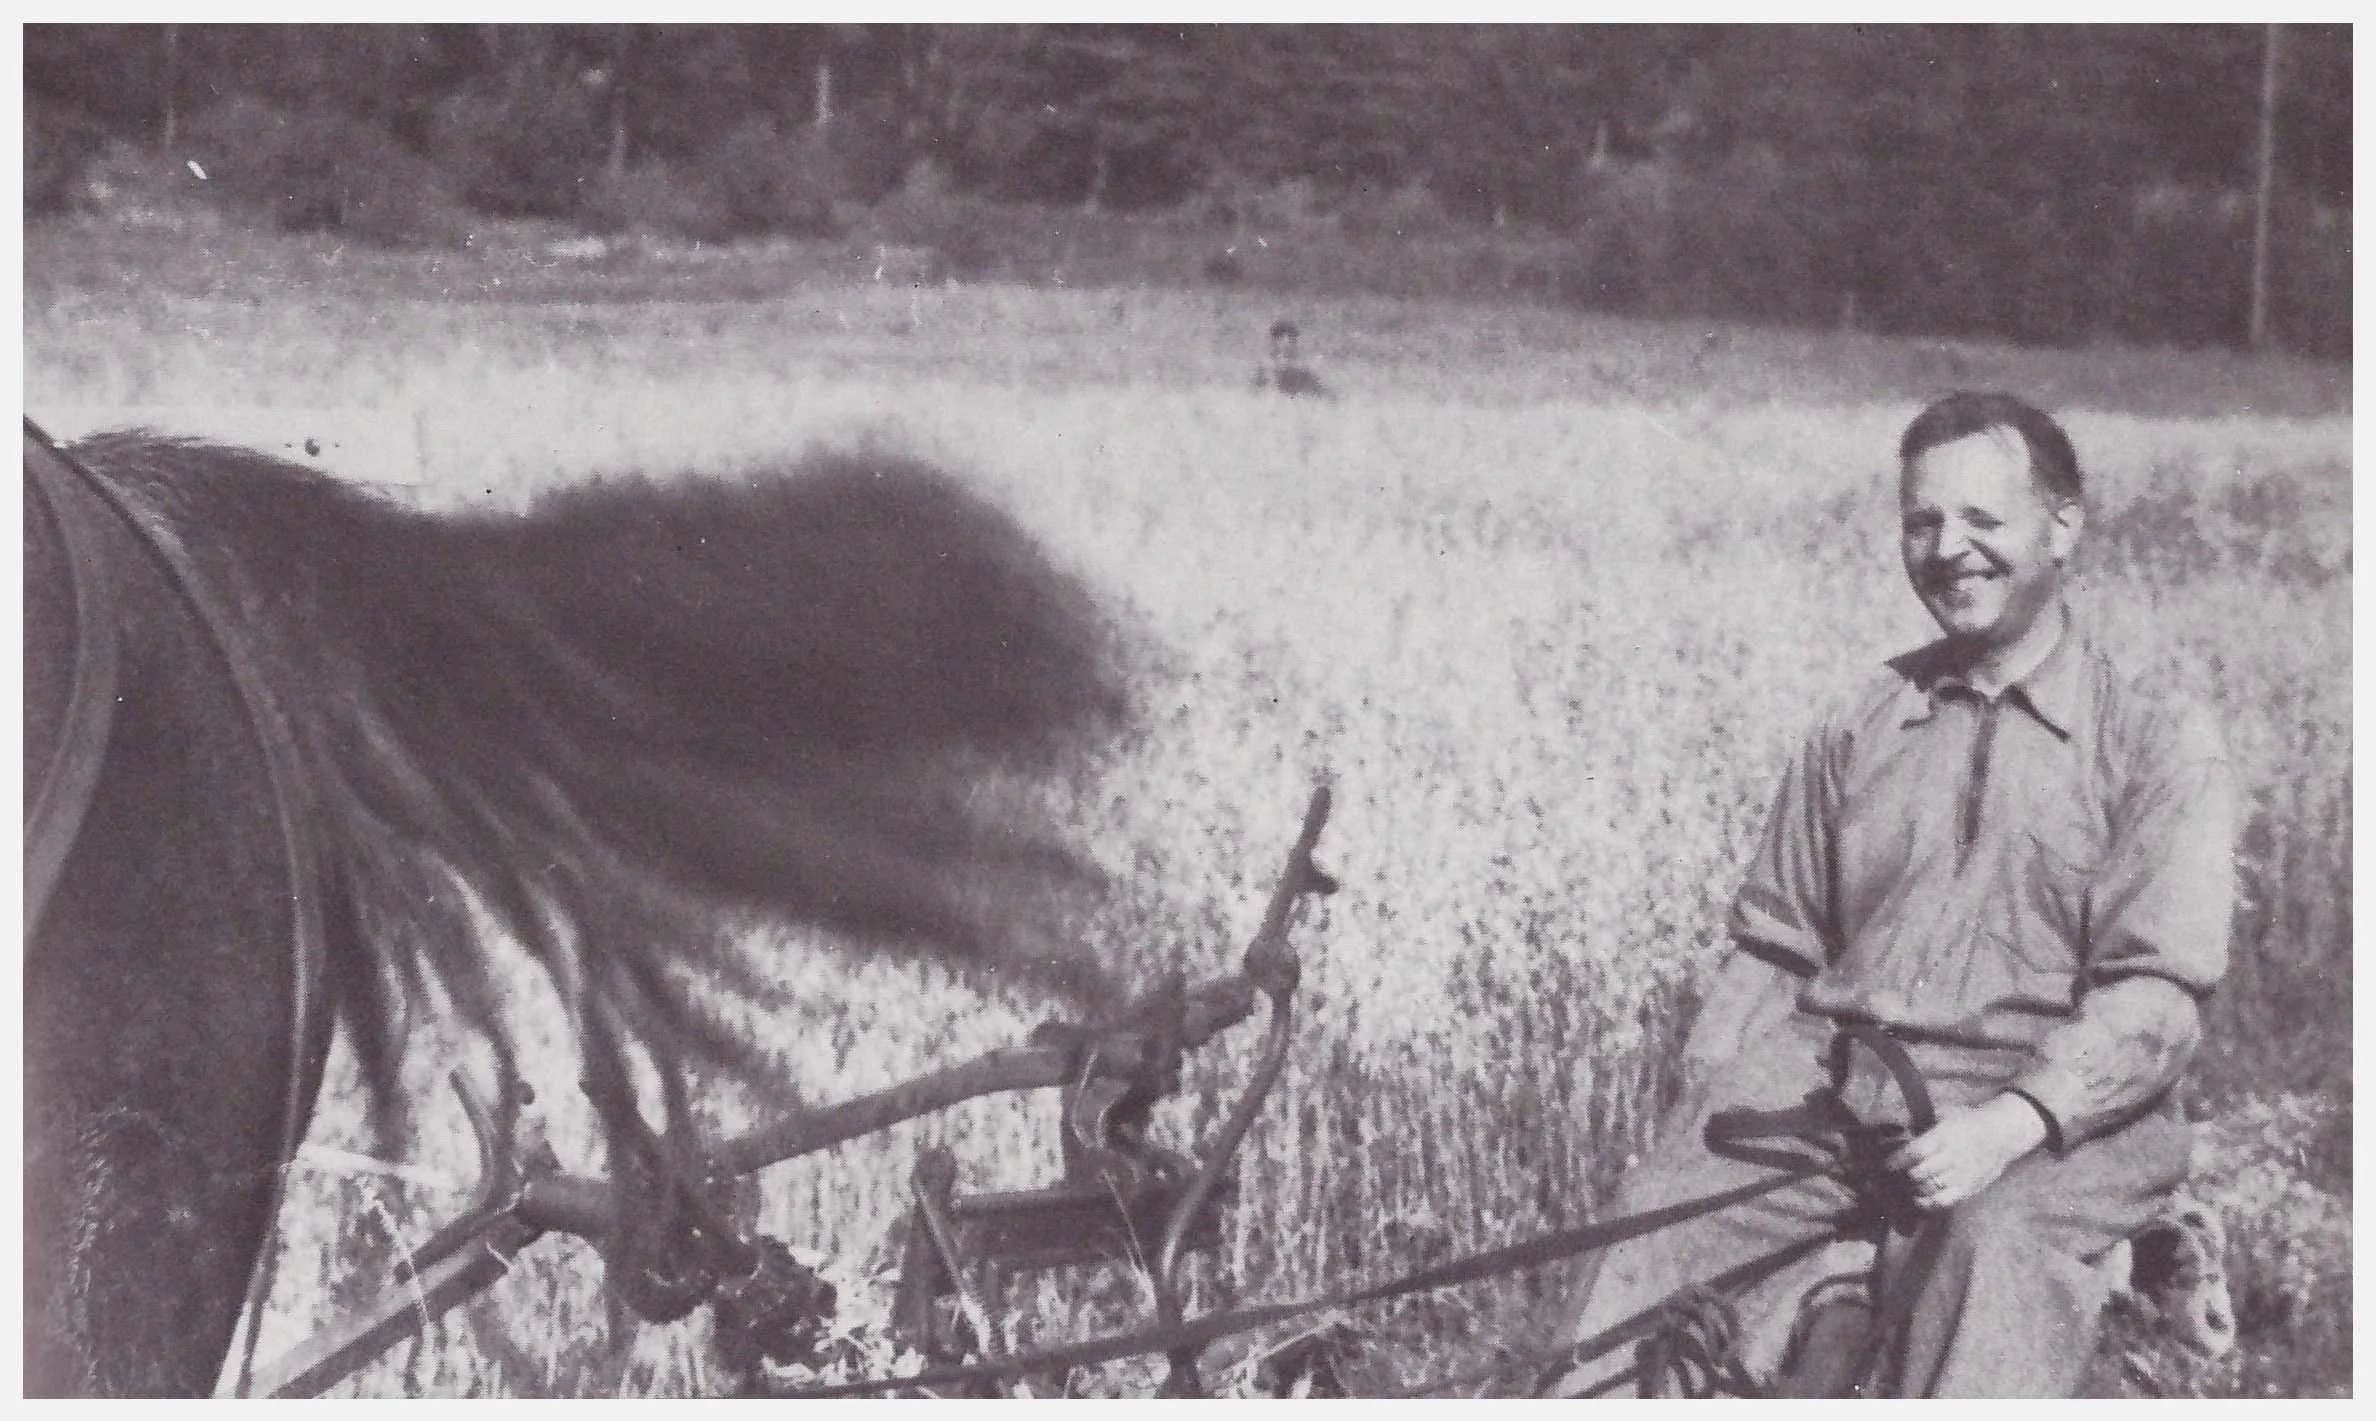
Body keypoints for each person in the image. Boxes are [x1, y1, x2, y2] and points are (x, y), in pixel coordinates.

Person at [1546, 391, 2239, 1397]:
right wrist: (1702, 1114)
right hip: (1843, 1100)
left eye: (1982, 520)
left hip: (2056, 1122)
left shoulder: (2156, 737)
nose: (1949, 548)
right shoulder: (1859, 719)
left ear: (2063, 525)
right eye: (1923, 520)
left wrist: (2007, 1122)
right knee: (1643, 1256)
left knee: (1988, 1257)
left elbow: (2158, 996)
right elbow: (1774, 946)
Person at [1253, 319, 1331, 398]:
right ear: (1275, 341)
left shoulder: (1301, 365)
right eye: (1283, 339)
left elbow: (1317, 388)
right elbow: (1260, 389)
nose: (1288, 343)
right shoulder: (1267, 363)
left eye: (1291, 339)